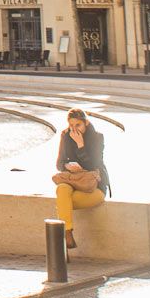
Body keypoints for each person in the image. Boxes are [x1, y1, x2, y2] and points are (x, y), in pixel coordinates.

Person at [53, 107, 111, 250]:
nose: (74, 129)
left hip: (94, 187)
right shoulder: (66, 136)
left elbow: (94, 164)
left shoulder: (97, 137)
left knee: (62, 202)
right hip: (73, 182)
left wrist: (80, 146)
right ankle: (68, 233)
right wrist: (68, 166)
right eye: (71, 125)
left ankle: (64, 234)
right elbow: (59, 163)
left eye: (78, 125)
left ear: (85, 123)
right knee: (62, 188)